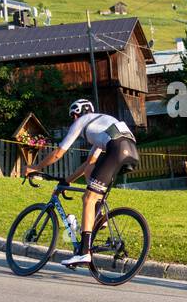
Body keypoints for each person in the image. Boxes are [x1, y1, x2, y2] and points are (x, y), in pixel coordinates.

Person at [25, 99, 139, 267]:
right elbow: (89, 162)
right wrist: (67, 180)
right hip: (131, 150)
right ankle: (99, 217)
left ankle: (84, 253)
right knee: (91, 173)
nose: (73, 119)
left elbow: (58, 153)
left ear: (77, 114)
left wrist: (36, 167)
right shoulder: (101, 124)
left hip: (116, 148)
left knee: (87, 199)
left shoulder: (81, 122)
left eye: (73, 116)